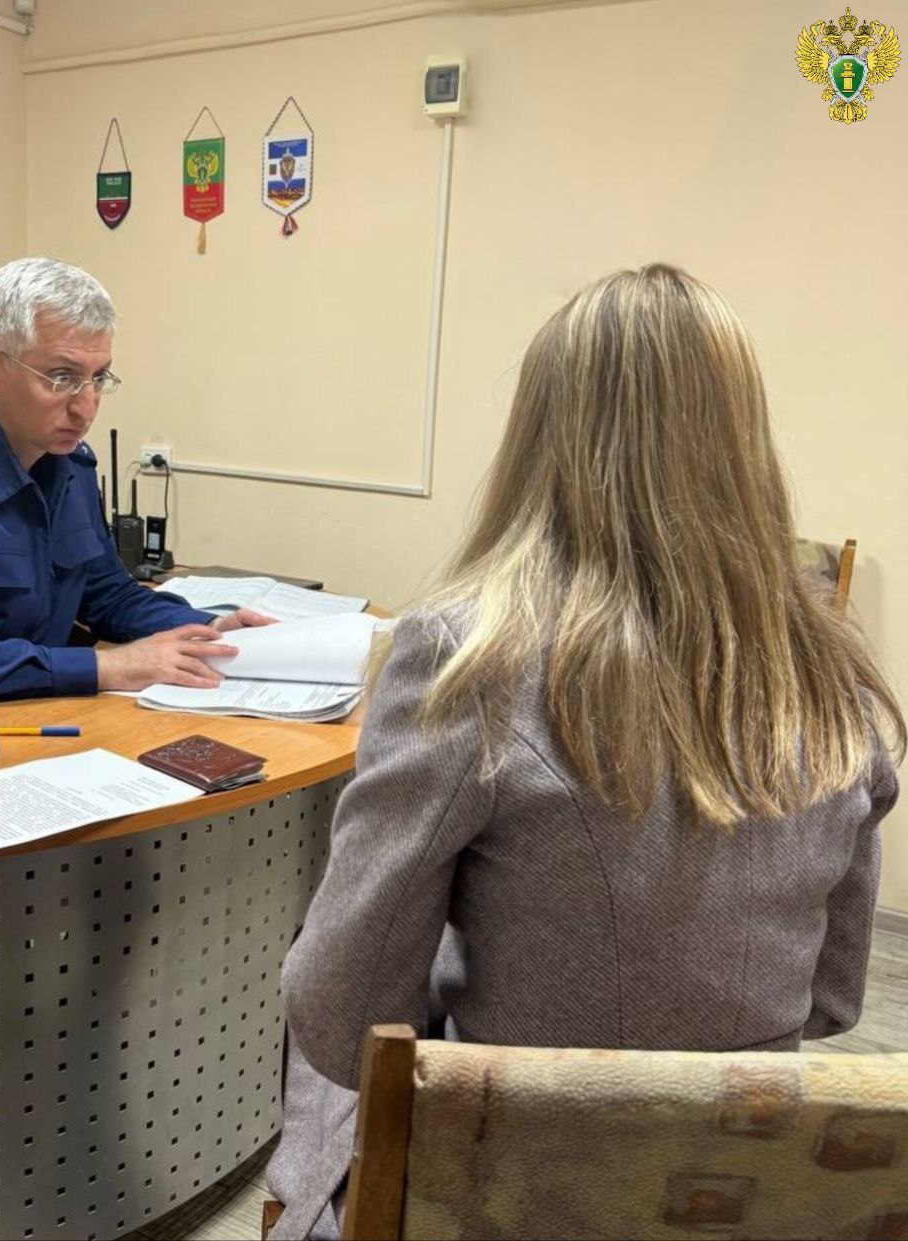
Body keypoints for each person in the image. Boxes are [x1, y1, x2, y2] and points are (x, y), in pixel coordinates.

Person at [265, 264, 903, 1240]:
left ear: (540, 436)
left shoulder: (466, 655)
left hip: (508, 1193)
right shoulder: (834, 677)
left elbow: (341, 1011)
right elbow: (830, 998)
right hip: (734, 1194)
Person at [0, 257, 270, 697]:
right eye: (61, 378)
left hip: (31, 708)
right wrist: (109, 666)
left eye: (99, 377)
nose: (86, 407)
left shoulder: (70, 462)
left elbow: (109, 595)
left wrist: (211, 629)